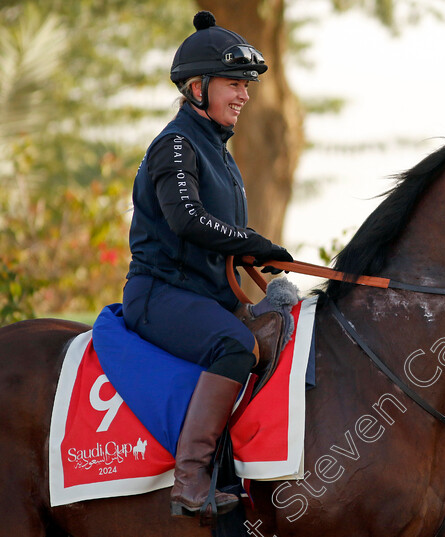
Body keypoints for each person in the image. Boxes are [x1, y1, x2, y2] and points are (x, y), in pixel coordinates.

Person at [122, 11, 292, 518]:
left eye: (247, 85)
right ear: (197, 87)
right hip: (159, 296)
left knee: (282, 332)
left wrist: (254, 249)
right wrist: (250, 240)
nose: (244, 95)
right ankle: (191, 479)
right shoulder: (174, 145)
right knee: (236, 344)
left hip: (203, 297)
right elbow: (187, 220)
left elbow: (216, 236)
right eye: (234, 84)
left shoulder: (220, 153)